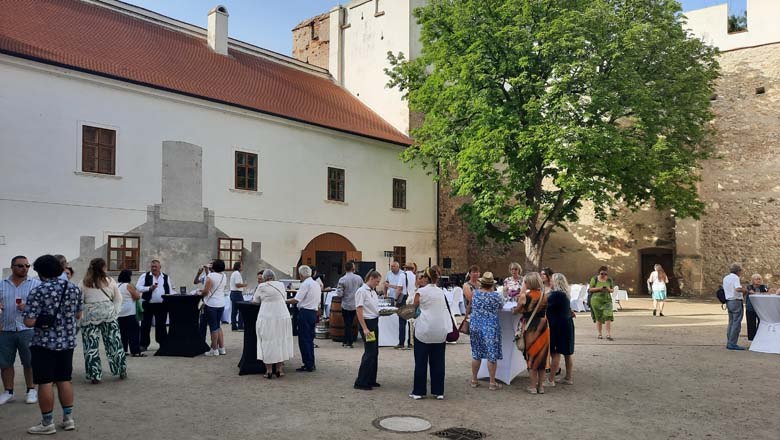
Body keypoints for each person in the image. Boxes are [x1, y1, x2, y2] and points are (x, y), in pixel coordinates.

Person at [23, 255, 83, 434]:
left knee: (45, 382)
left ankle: (47, 423)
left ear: (41, 272)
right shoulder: (73, 288)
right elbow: (79, 315)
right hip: (67, 342)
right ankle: (68, 419)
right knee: (64, 379)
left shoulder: (38, 291)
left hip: (44, 344)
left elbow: (29, 322)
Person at [0, 255, 41, 405]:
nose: (24, 268)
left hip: (27, 329)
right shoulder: (1, 284)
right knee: (5, 363)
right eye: (20, 266)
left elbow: (42, 307)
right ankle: (8, 391)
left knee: (29, 362)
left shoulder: (35, 284)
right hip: (5, 329)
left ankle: (31, 390)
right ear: (12, 267)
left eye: (27, 266)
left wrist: (28, 308)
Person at [78, 258, 126, 384]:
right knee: (114, 343)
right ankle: (120, 369)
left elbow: (79, 301)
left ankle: (95, 374)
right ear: (104, 267)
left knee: (91, 346)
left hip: (90, 316)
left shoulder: (83, 282)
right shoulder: (110, 281)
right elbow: (118, 298)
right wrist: (115, 312)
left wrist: (80, 316)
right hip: (108, 315)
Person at [409, 267, 451, 400]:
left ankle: (419, 391)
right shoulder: (440, 292)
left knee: (421, 361)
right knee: (438, 361)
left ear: (426, 278)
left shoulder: (420, 292)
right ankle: (438, 391)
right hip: (440, 329)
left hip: (425, 329)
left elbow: (413, 309)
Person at [252, 270, 293, 379]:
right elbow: (283, 298)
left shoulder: (261, 286)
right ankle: (279, 369)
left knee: (266, 341)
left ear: (264, 277)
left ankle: (269, 370)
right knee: (281, 340)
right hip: (282, 315)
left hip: (267, 316)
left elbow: (255, 300)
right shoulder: (280, 285)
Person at [513, 272, 550, 394]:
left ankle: (533, 387)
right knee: (542, 357)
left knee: (532, 356)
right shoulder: (545, 295)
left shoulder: (525, 296)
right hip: (543, 327)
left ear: (529, 283)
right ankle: (541, 387)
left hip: (531, 328)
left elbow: (518, 310)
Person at [467, 272, 504, 391]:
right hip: (490, 326)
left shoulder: (475, 293)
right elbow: (501, 307)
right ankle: (492, 382)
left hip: (476, 325)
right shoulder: (496, 296)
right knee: (491, 354)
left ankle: (474, 379)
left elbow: (471, 306)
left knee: (476, 353)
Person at [287, 265, 321, 372]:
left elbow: (297, 299)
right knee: (310, 339)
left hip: (305, 312)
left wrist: (283, 301)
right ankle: (311, 362)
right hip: (313, 312)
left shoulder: (305, 284)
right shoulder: (316, 284)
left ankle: (308, 363)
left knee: (304, 339)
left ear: (301, 275)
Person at [136, 260, 175, 352]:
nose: (153, 268)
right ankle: (143, 344)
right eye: (152, 266)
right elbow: (138, 287)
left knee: (161, 325)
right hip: (148, 304)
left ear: (159, 267)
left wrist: (170, 299)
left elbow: (169, 289)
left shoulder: (165, 277)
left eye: (155, 267)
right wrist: (149, 288)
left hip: (162, 305)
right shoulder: (145, 276)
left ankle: (163, 344)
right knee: (145, 325)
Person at [354, 270, 382, 390]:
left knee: (374, 351)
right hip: (368, 323)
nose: (377, 283)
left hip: (374, 322)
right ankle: (361, 381)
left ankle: (371, 378)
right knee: (369, 352)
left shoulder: (373, 292)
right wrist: (365, 328)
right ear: (371, 278)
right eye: (377, 281)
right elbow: (359, 310)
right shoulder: (361, 291)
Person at [547, 273, 575, 386]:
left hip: (557, 326)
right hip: (567, 324)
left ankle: (551, 380)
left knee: (555, 352)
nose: (550, 282)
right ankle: (568, 377)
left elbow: (545, 307)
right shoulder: (565, 294)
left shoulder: (555, 295)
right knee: (567, 353)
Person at [200, 259, 228, 356]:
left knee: (213, 327)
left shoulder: (210, 276)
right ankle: (222, 348)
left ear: (214, 267)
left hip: (211, 304)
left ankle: (214, 349)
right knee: (218, 326)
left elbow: (206, 291)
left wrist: (201, 292)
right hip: (221, 303)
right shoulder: (224, 276)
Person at [116, 270, 144, 357]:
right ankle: (135, 351)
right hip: (129, 313)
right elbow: (136, 297)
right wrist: (140, 294)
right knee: (133, 332)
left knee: (122, 332)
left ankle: (123, 350)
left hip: (119, 312)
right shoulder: (128, 286)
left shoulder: (117, 285)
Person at [335, 262, 362, 348]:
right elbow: (363, 289)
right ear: (353, 268)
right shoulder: (359, 278)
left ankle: (348, 341)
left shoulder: (342, 279)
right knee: (351, 323)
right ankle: (346, 340)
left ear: (345, 269)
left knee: (347, 323)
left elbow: (339, 294)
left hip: (346, 304)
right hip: (356, 304)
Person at [723, 263, 746, 350]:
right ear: (738, 271)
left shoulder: (726, 278)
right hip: (736, 301)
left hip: (729, 301)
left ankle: (730, 341)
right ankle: (732, 343)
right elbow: (737, 288)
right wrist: (745, 290)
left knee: (731, 322)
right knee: (736, 323)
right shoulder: (736, 278)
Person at [588, 266, 614, 341]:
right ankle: (600, 334)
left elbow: (612, 290)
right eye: (602, 273)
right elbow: (590, 289)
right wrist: (599, 289)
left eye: (605, 274)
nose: (603, 275)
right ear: (599, 273)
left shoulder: (609, 279)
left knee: (608, 316)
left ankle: (608, 334)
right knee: (598, 317)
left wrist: (608, 289)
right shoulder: (594, 279)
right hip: (596, 301)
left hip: (607, 300)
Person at [398, 262, 417, 349]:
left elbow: (399, 288)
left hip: (405, 299)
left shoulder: (402, 275)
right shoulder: (415, 276)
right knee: (411, 321)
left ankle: (401, 342)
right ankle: (410, 342)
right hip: (412, 299)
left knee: (402, 322)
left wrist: (396, 299)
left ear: (405, 268)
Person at [745, 274, 768, 341]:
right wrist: (762, 293)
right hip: (751, 308)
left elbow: (768, 292)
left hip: (761, 309)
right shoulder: (749, 287)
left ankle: (759, 337)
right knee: (751, 324)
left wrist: (764, 293)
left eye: (759, 279)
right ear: (752, 280)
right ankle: (752, 340)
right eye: (756, 279)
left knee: (762, 323)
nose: (758, 280)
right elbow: (752, 292)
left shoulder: (764, 287)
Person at [230, 262, 248, 331]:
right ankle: (240, 326)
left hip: (234, 293)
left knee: (234, 311)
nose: (242, 267)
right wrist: (244, 285)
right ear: (238, 267)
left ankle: (234, 326)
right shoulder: (237, 274)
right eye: (241, 266)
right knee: (241, 309)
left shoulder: (235, 273)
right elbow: (237, 284)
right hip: (237, 293)